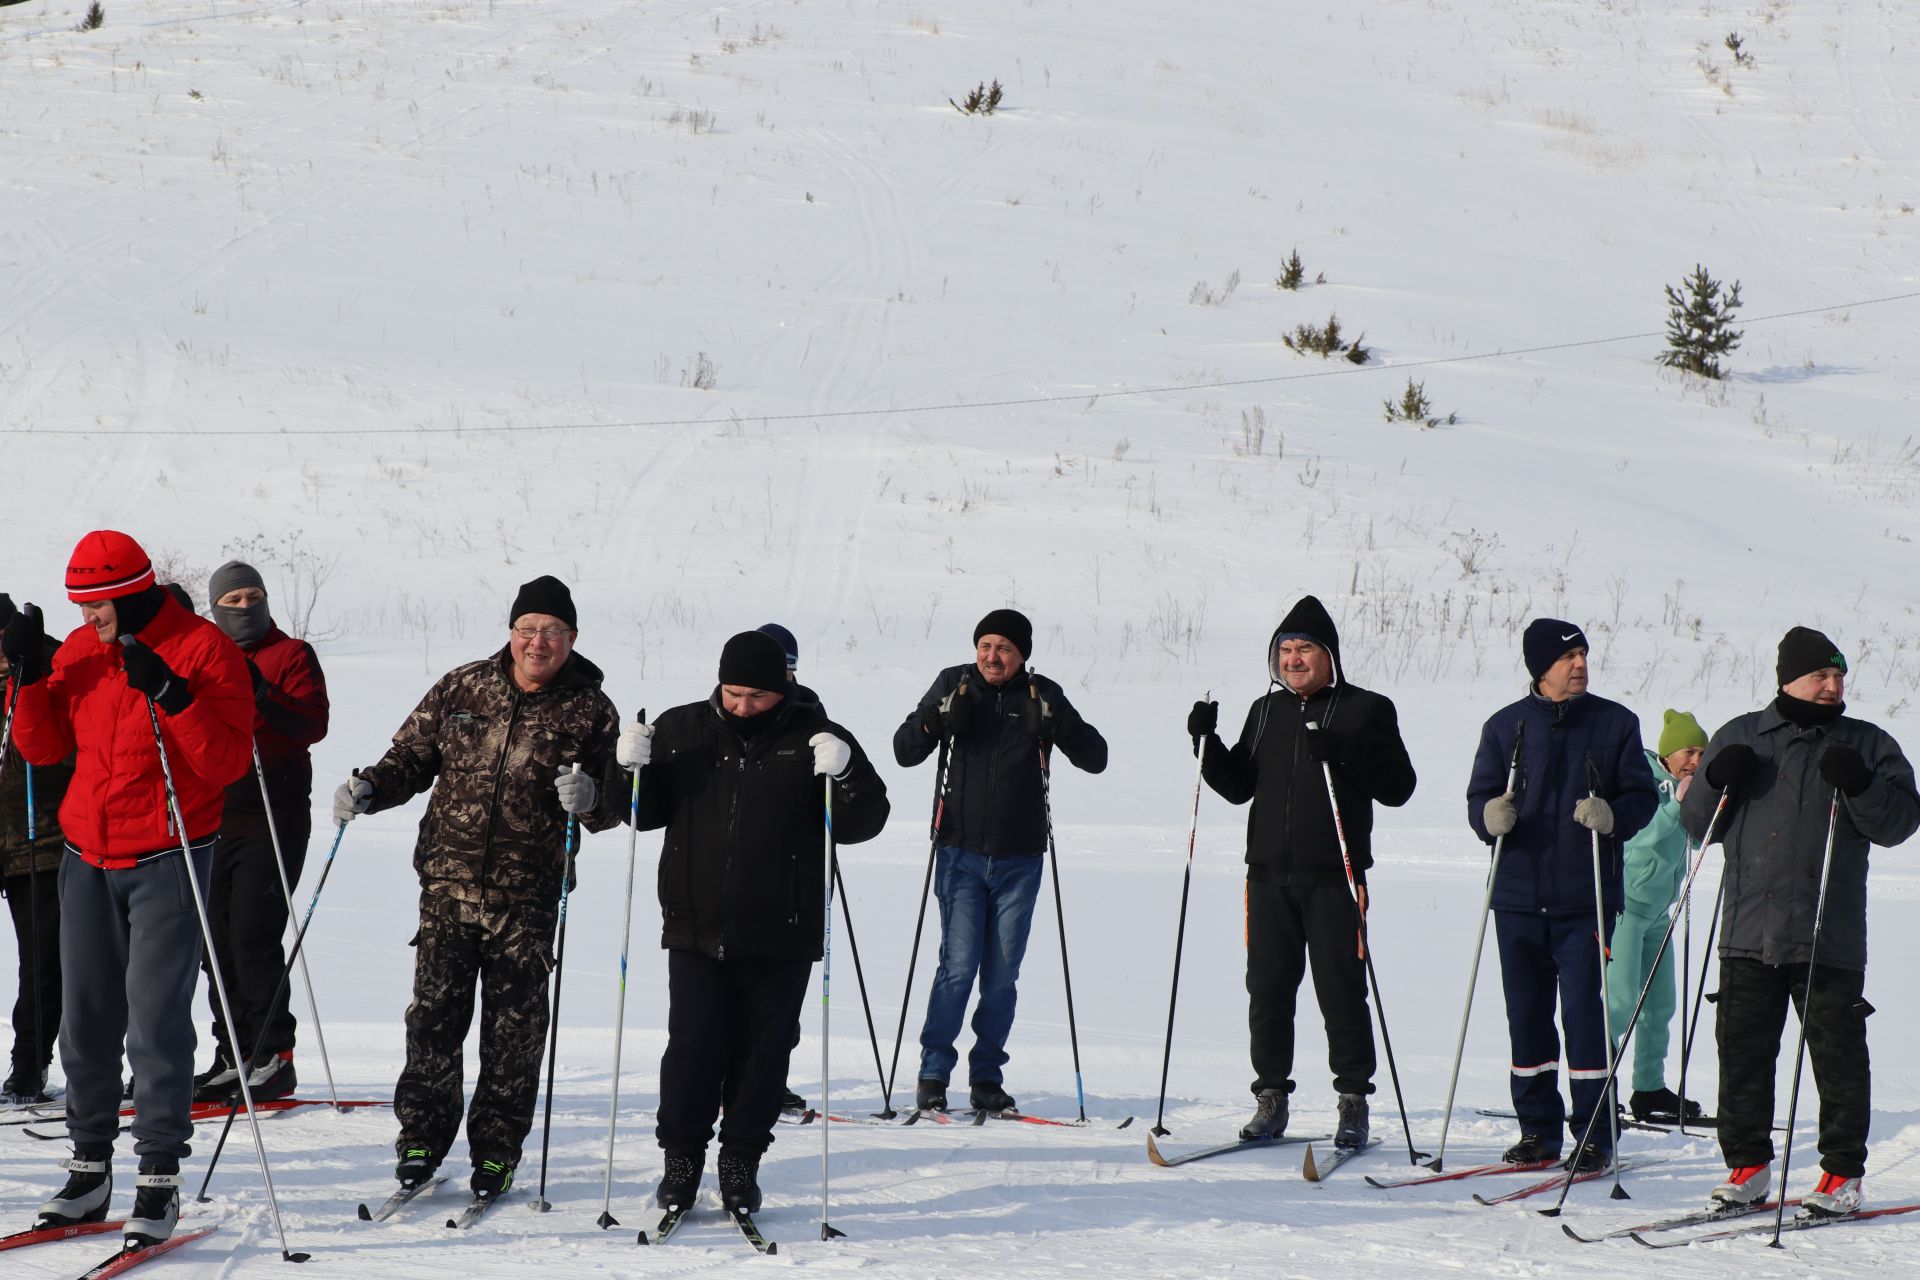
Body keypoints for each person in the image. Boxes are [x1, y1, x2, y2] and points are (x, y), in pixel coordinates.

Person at [3, 531, 254, 1247]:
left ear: (133, 590)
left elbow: (228, 761)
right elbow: (43, 748)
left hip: (169, 855)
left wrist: (173, 695)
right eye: (78, 604)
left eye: (97, 603)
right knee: (83, 1022)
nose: (87, 617)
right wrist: (25, 678)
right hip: (87, 855)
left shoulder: (204, 652)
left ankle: (157, 1177)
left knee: (155, 1024)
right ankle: (88, 1171)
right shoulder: (83, 653)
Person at [334, 575, 621, 1199]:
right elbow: (409, 759)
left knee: (513, 1029)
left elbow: (617, 802)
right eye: (527, 630)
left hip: (528, 896)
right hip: (446, 885)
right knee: (433, 1019)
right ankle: (420, 1140)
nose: (537, 643)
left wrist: (595, 799)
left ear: (572, 639)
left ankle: (496, 1151)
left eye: (551, 633)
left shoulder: (591, 710)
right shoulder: (465, 686)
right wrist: (370, 789)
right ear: (511, 632)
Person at [621, 630, 888, 1212]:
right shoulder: (681, 727)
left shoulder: (818, 737)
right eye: (734, 692)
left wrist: (846, 776)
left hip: (782, 929)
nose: (743, 706)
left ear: (785, 686)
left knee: (764, 1054)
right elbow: (642, 815)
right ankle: (682, 1162)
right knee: (692, 1050)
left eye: (757, 696)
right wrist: (628, 772)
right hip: (695, 922)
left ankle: (741, 1162)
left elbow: (865, 821)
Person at [1682, 628, 1919, 1217]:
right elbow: (1697, 827)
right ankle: (1748, 1168)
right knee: (1742, 1055)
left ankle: (1841, 1176)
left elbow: (1899, 823)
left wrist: (1861, 784)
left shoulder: (1868, 744)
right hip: (1747, 930)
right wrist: (1714, 780)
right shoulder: (1741, 737)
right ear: (1789, 678)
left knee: (1837, 1059)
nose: (1833, 686)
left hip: (1826, 933)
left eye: (1840, 677)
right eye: (1821, 675)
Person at [1187, 595, 1416, 1147]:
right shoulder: (1265, 712)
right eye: (1284, 649)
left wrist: (1343, 752)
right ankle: (1270, 1098)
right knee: (1266, 990)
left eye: (1304, 648)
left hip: (1335, 877)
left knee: (1341, 989)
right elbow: (1239, 787)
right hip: (1267, 878)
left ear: (1329, 655)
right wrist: (1207, 743)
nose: (1293, 658)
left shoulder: (1367, 709)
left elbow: (1399, 788)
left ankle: (1353, 1100)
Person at [894, 609, 1108, 1115]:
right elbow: (904, 750)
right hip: (959, 853)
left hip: (1020, 858)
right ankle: (933, 1073)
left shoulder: (1042, 693)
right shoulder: (954, 684)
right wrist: (936, 720)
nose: (993, 656)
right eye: (986, 645)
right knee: (958, 967)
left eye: (1004, 648)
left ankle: (987, 1075)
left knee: (1001, 976)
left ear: (1022, 655)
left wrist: (1059, 726)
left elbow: (1095, 756)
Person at [1466, 618, 1657, 1171]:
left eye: (1583, 656)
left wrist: (1613, 815)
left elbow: (1641, 797)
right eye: (1566, 657)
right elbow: (1479, 794)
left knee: (1582, 1015)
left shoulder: (1616, 723)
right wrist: (1488, 816)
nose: (1579, 665)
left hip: (1586, 899)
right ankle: (1537, 1132)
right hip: (1517, 896)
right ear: (1539, 666)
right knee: (1526, 1015)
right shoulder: (1504, 727)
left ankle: (1596, 1134)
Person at [192, 561, 330, 1104]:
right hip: (213, 817)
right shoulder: (207, 657)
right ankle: (235, 1051)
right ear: (216, 609)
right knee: (215, 940)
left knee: (252, 934)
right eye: (233, 600)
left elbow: (312, 724)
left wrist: (264, 695)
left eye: (254, 597)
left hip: (274, 814)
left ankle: (274, 1055)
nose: (245, 608)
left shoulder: (291, 654)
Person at [1604, 708, 1707, 1125]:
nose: (1695, 761)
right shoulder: (1643, 781)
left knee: (1659, 1005)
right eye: (1688, 751)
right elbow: (1638, 836)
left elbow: (1695, 839)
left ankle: (1648, 1087)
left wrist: (1704, 810)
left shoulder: (1688, 785)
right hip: (1625, 907)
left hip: (1660, 911)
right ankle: (1597, 1085)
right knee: (1620, 1002)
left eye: (1702, 752)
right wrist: (1674, 807)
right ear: (1668, 754)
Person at [2, 594, 73, 1106]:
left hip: (41, 839)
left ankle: (30, 1062)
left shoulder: (48, 662)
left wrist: (30, 670)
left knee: (43, 959)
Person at [756, 622, 820, 1117]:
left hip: (794, 875)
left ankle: (770, 1079)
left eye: (789, 666)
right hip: (737, 872)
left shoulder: (811, 710)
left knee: (783, 996)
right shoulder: (730, 707)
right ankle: (727, 1081)